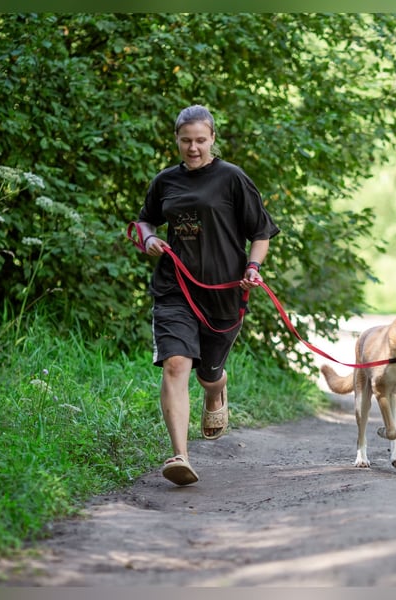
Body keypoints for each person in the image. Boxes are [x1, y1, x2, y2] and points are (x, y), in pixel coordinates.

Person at [135, 105, 280, 486]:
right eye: (186, 141)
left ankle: (216, 391)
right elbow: (144, 217)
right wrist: (148, 237)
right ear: (177, 141)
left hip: (224, 293)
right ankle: (179, 454)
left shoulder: (232, 179)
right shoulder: (166, 181)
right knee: (176, 364)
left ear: (213, 138)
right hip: (175, 288)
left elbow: (260, 231)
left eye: (200, 140)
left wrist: (253, 268)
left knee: (207, 371)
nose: (193, 148)